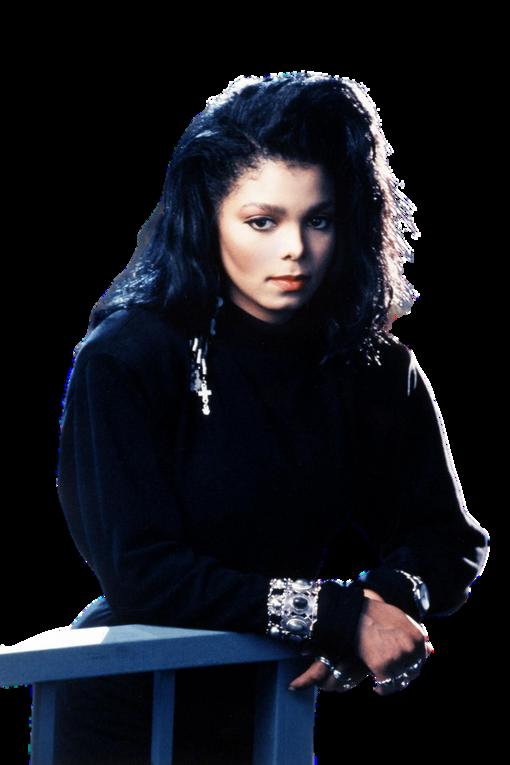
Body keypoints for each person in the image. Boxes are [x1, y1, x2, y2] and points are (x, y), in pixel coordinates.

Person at [37, 72, 490, 764]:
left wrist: (386, 600)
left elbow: (448, 537)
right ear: (209, 217)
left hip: (271, 692)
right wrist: (336, 614)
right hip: (129, 699)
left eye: (320, 219)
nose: (296, 249)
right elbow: (142, 575)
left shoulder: (370, 365)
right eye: (262, 221)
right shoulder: (128, 356)